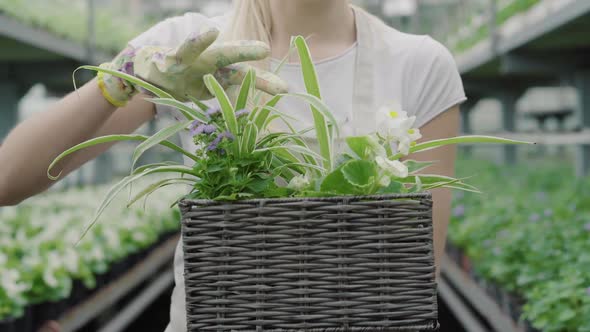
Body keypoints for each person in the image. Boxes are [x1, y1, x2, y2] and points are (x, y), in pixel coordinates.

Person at [0, 1, 466, 331]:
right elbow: (8, 179)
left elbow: (415, 276)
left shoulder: (419, 64)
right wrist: (125, 77)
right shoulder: (189, 45)